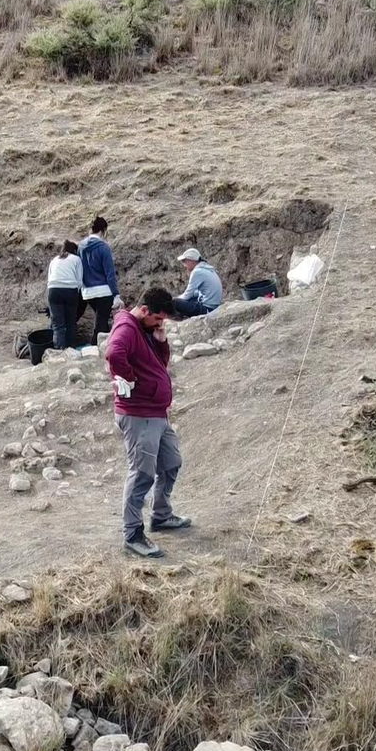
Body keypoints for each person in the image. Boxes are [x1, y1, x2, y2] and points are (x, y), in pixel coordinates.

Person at [103, 286, 190, 558]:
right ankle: (132, 533)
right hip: (139, 414)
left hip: (157, 413)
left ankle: (161, 516)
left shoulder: (143, 329)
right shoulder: (127, 328)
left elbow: (158, 365)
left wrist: (161, 340)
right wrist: (128, 379)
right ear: (144, 311)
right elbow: (114, 354)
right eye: (158, 319)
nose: (160, 323)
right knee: (141, 474)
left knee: (171, 462)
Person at [79, 217, 120, 341]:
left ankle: (106, 344)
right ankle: (95, 347)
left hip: (87, 292)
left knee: (101, 319)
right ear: (103, 231)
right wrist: (116, 295)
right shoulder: (103, 247)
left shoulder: (80, 247)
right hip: (104, 291)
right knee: (101, 324)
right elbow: (110, 273)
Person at [45, 240, 83, 350]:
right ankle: (71, 350)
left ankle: (58, 352)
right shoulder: (76, 259)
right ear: (75, 250)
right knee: (71, 323)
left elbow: (49, 280)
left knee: (57, 325)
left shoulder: (54, 260)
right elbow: (79, 281)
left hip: (54, 291)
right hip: (70, 291)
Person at [173, 248, 223, 319]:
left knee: (174, 302)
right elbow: (196, 293)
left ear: (192, 261)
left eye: (184, 261)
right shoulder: (207, 268)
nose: (184, 265)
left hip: (208, 309)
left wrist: (174, 298)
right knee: (190, 298)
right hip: (214, 306)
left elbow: (187, 295)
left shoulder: (197, 272)